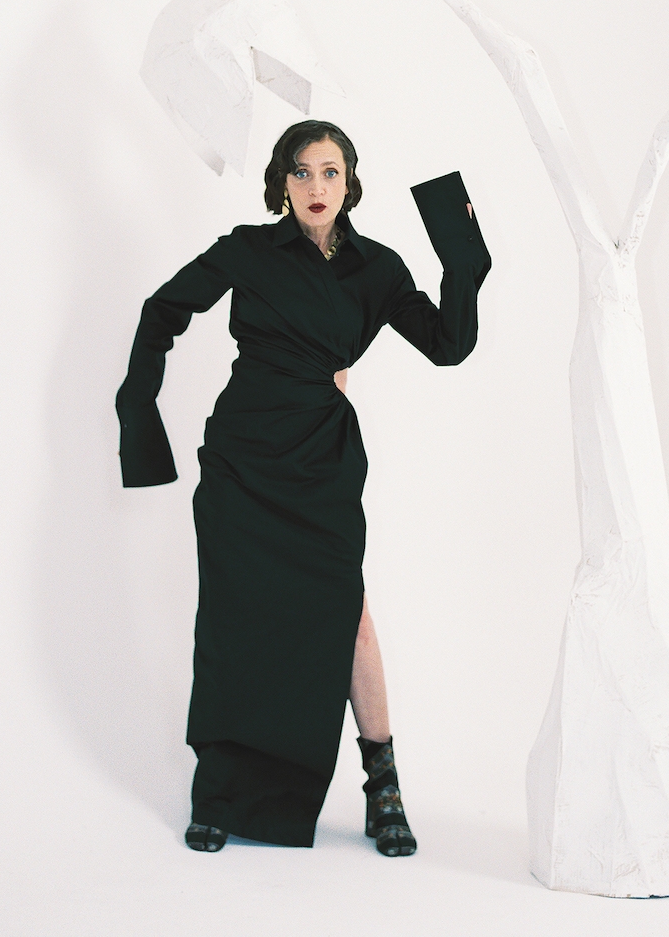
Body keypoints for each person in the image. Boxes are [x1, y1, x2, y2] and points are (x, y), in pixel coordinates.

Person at [115, 119, 490, 857]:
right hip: (243, 457)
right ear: (281, 183)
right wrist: (140, 418)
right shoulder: (248, 249)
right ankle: (219, 793)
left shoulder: (378, 269)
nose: (317, 187)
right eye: (301, 172)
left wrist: (461, 247)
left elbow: (448, 346)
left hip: (321, 459)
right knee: (233, 619)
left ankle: (383, 787)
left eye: (330, 171)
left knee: (348, 618)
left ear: (350, 181)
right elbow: (163, 311)